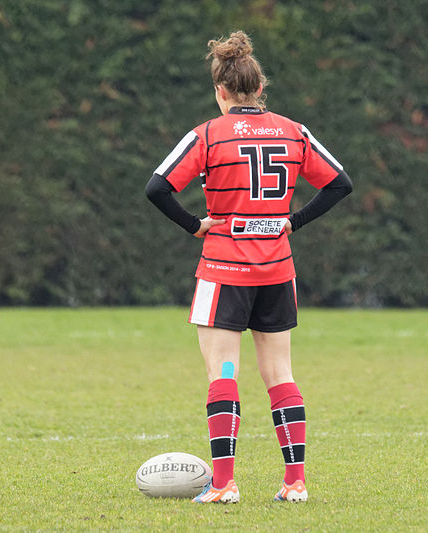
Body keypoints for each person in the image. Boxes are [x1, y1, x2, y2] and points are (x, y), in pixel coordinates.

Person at [146, 31, 352, 504]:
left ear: (221, 91)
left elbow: (157, 188)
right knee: (280, 374)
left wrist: (196, 226)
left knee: (223, 374)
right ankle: (295, 483)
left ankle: (224, 484)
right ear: (260, 89)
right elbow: (340, 183)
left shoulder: (208, 134)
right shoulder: (293, 130)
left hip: (223, 271)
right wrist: (292, 222)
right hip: (277, 270)